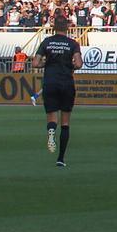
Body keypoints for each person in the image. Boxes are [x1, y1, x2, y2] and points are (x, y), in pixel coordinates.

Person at [35, 15, 82, 167]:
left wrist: (47, 63)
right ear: (67, 27)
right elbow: (79, 63)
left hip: (50, 82)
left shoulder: (47, 42)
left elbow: (35, 63)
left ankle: (51, 132)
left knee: (52, 116)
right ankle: (61, 158)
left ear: (54, 27)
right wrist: (71, 65)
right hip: (66, 83)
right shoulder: (73, 43)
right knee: (66, 122)